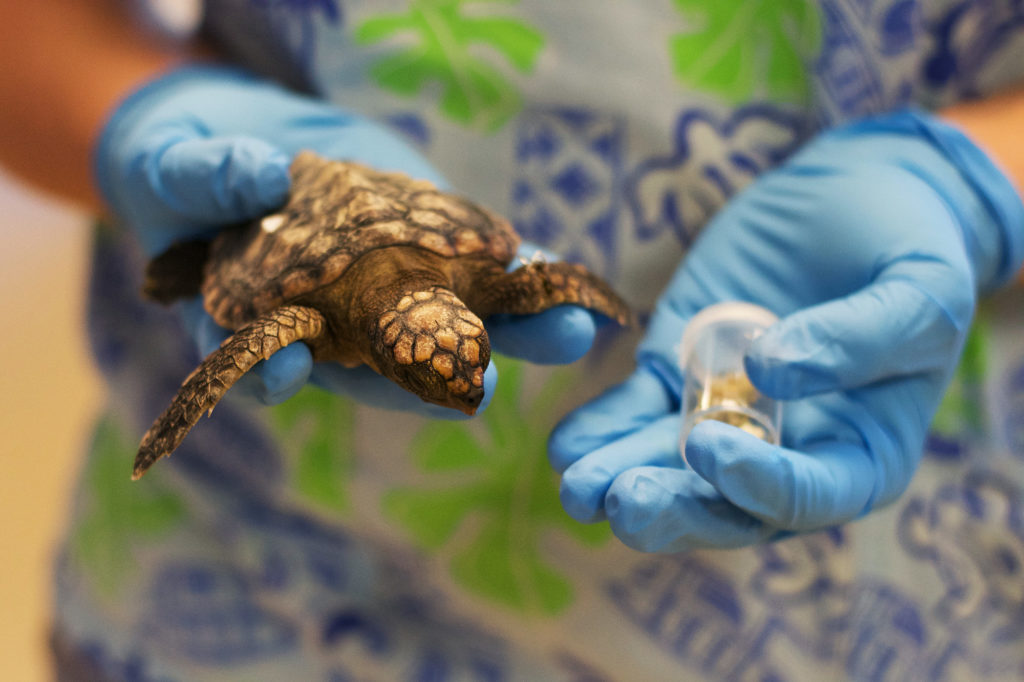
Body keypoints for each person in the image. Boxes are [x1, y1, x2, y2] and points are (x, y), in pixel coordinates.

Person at [3, 1, 1024, 680]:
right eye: (442, 360)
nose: (458, 373)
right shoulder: (312, 305)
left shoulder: (478, 270)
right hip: (253, 604)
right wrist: (140, 111)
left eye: (452, 357)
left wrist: (971, 183)